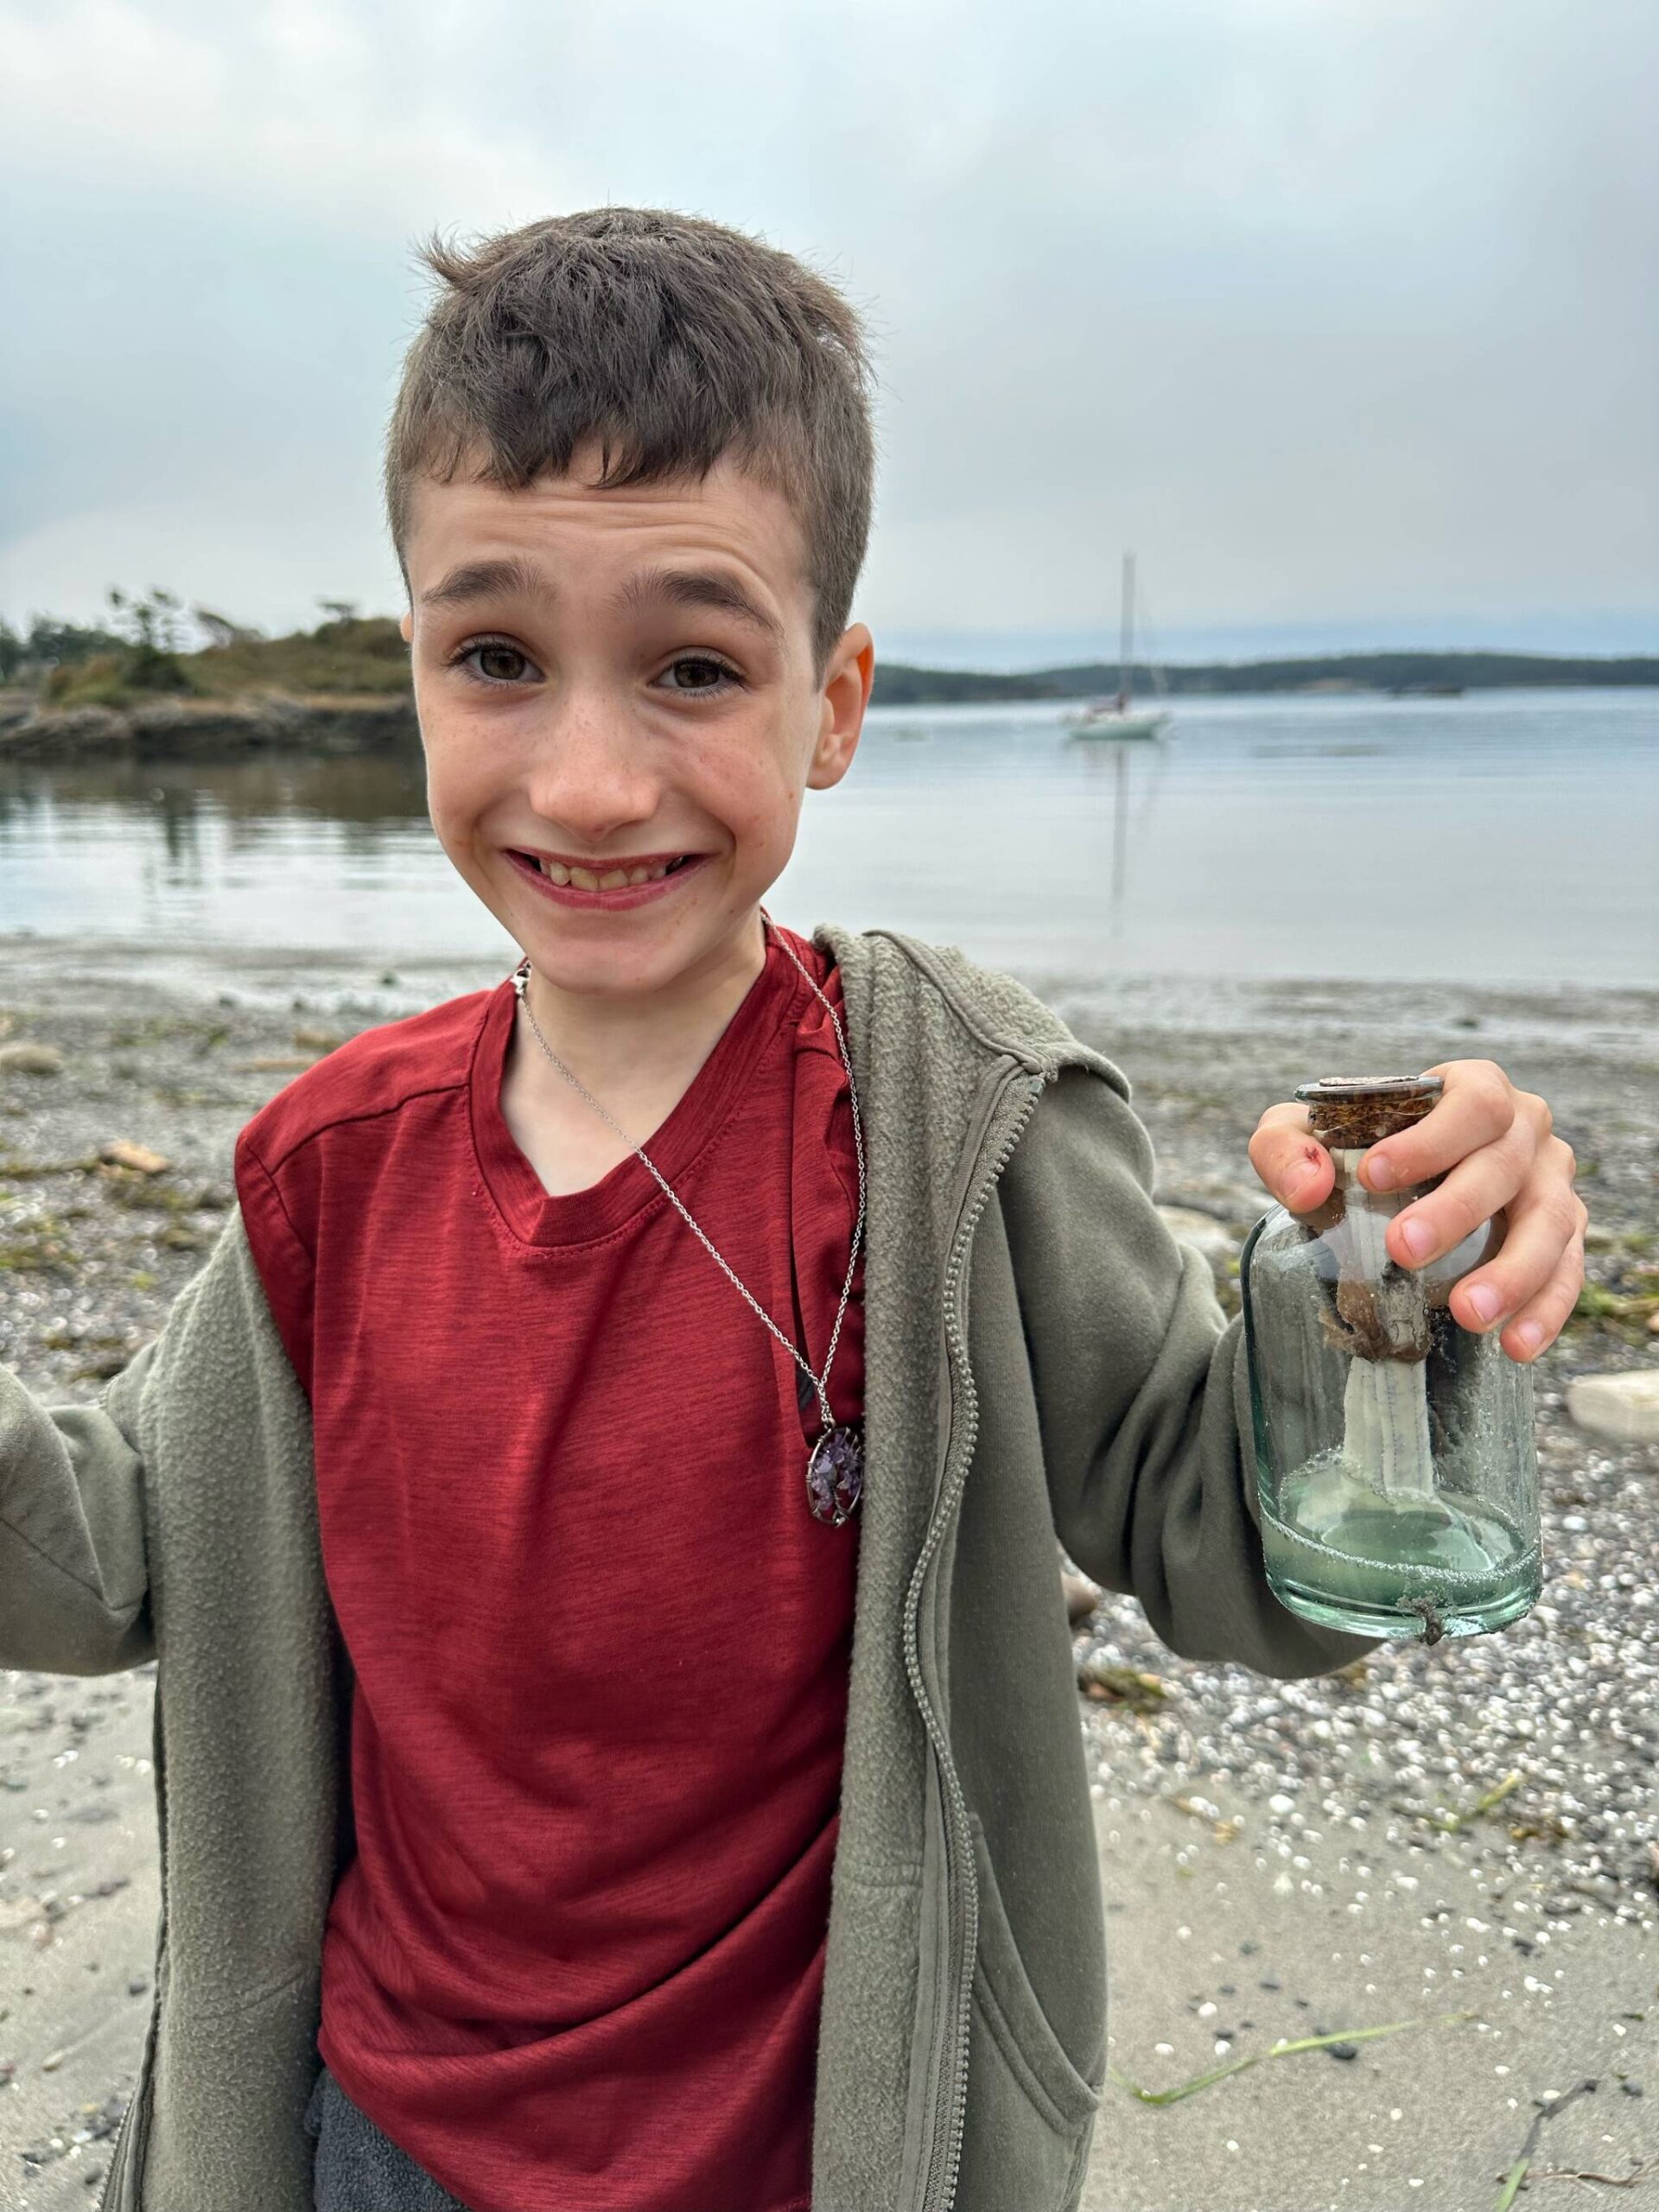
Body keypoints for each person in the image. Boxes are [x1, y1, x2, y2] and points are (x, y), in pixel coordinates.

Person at [0, 208, 1584, 2212]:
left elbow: (1230, 1552)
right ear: (412, 672)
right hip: (377, 2134)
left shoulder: (956, 1129)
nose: (587, 777)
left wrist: (1406, 1286)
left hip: (830, 2142)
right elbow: (120, 1549)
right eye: (497, 656)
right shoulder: (335, 1165)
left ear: (829, 705)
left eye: (690, 664)